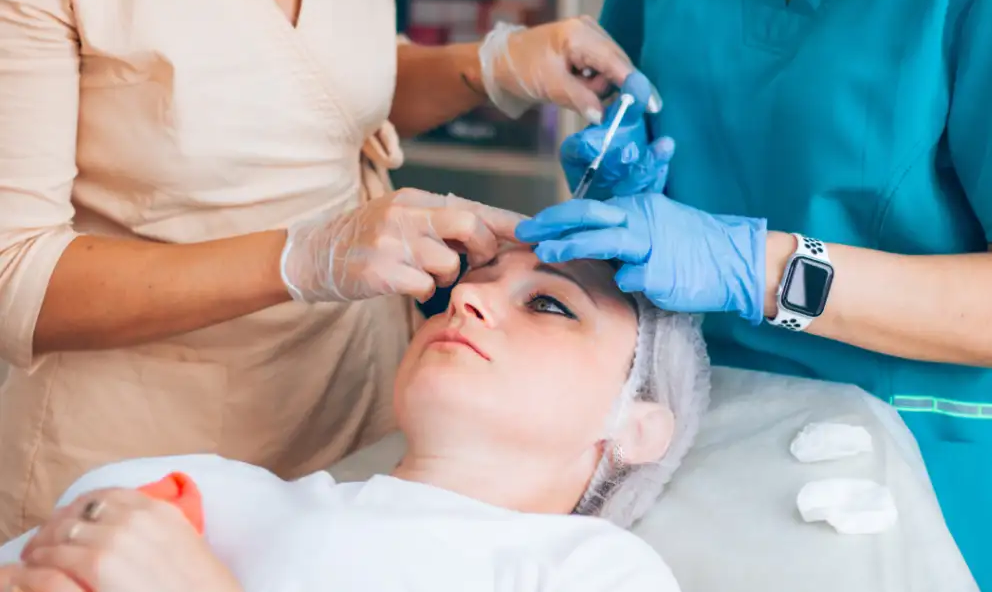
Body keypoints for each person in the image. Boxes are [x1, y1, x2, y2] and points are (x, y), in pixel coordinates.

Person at [0, 0, 657, 538]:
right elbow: (15, 275)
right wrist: (301, 258)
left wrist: (492, 69)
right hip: (142, 462)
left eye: (548, 300)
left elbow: (307, 92)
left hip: (354, 416)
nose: (470, 297)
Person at [515, 0, 992, 589]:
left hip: (905, 473)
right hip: (683, 446)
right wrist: (618, 196)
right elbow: (638, 112)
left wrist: (756, 269)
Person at [0, 246, 710, 592]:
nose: (466, 300)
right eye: (472, 281)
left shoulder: (590, 569)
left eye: (549, 303)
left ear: (640, 424)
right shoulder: (189, 486)